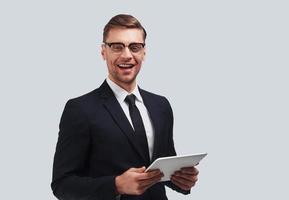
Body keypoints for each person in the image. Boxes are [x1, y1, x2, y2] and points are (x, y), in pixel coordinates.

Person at [51, 14, 199, 200]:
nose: (127, 55)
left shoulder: (161, 105)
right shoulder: (80, 109)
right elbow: (62, 184)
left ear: (144, 52)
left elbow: (161, 169)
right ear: (104, 51)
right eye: (117, 46)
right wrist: (116, 185)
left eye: (134, 47)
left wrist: (182, 180)